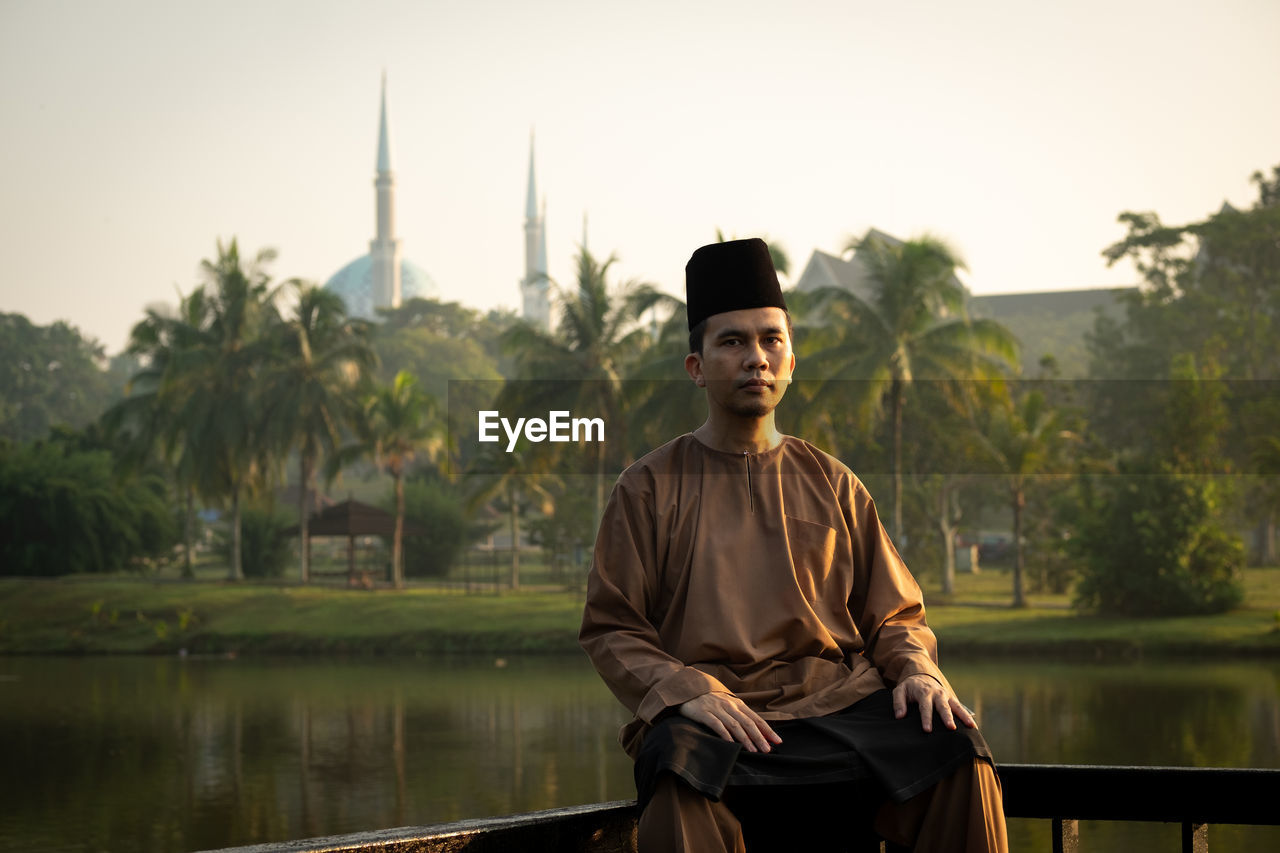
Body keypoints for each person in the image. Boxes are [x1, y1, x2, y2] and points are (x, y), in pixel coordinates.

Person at [579, 238, 1008, 852]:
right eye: (732, 342)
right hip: (718, 712)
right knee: (676, 769)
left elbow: (894, 615)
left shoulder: (833, 481)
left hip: (839, 703)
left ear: (790, 359)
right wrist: (683, 691)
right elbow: (613, 628)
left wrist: (917, 670)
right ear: (696, 367)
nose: (756, 358)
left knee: (957, 750)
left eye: (770, 340)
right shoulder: (647, 488)